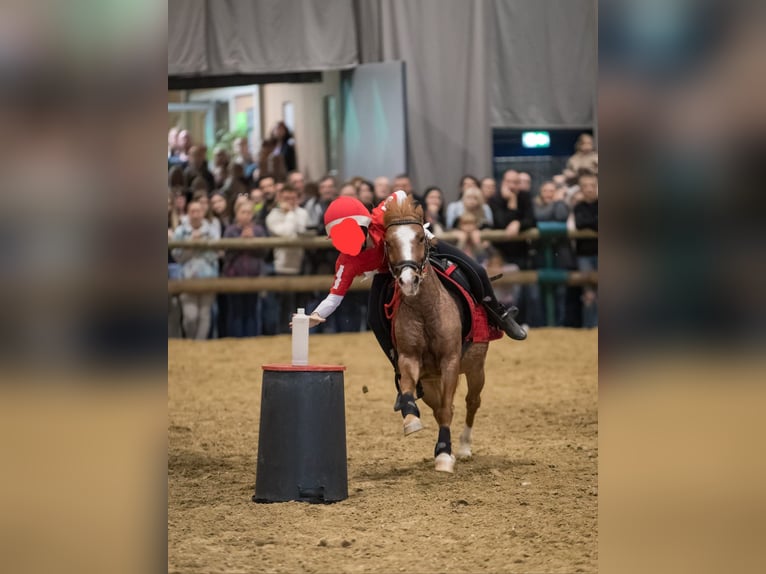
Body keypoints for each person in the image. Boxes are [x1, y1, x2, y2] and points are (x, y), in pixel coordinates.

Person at [298, 192, 527, 413]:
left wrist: (409, 220)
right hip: (386, 272)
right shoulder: (347, 261)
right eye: (340, 237)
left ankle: (500, 315)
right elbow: (335, 295)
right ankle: (401, 373)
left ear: (364, 224)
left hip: (418, 250)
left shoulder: (379, 217)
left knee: (476, 269)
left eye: (348, 233)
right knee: (374, 319)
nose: (347, 241)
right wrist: (316, 315)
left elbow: (398, 194)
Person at [171, 200, 219, 340]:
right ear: (188, 213)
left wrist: (201, 245)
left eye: (198, 211)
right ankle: (191, 341)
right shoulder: (181, 231)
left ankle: (200, 345)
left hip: (208, 277)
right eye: (192, 211)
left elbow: (215, 254)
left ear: (203, 213)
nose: (196, 215)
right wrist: (190, 246)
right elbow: (177, 256)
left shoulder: (211, 230)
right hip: (186, 278)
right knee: (190, 316)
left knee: (205, 314)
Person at [265, 185, 310, 332]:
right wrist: (290, 213)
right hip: (281, 266)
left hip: (301, 264)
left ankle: (300, 334)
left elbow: (302, 230)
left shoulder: (303, 213)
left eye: (292, 198)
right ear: (279, 198)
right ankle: (283, 333)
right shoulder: (273, 216)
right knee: (284, 305)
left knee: (300, 305)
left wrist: (291, 215)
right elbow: (288, 234)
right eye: (286, 198)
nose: (290, 201)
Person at [223, 200, 268, 337]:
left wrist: (253, 241)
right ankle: (236, 339)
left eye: (249, 212)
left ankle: (252, 338)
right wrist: (241, 240)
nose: (246, 216)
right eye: (243, 212)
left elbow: (265, 253)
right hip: (234, 276)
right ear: (237, 214)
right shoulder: (230, 231)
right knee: (236, 311)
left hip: (254, 276)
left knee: (252, 310)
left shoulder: (259, 230)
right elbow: (227, 253)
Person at [533, 181, 573, 326]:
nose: (549, 194)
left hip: (561, 254)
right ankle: (544, 323)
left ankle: (560, 323)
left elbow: (562, 217)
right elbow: (538, 218)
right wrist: (556, 203)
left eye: (552, 191)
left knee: (561, 293)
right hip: (541, 254)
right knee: (541, 292)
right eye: (545, 191)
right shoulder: (535, 206)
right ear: (540, 193)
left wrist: (559, 202)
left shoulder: (561, 204)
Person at [573, 173, 598, 328]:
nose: (589, 189)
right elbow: (580, 223)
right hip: (584, 254)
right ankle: (589, 326)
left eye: (592, 185)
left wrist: (591, 223)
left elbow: (587, 223)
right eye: (585, 186)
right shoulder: (578, 207)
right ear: (581, 189)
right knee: (588, 293)